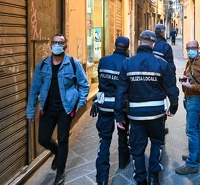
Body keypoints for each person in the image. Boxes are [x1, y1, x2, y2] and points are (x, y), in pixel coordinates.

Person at [115, 30, 179, 185]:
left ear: (138, 43)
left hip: (136, 116)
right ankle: (153, 176)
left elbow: (120, 92)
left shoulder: (127, 63)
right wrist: (173, 107)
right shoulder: (162, 64)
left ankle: (141, 179)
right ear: (154, 44)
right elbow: (172, 88)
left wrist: (119, 115)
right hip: (157, 115)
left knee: (137, 149)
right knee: (157, 143)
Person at [26, 33, 90, 185]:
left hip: (66, 109)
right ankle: (56, 153)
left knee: (63, 140)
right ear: (50, 45)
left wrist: (78, 104)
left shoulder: (73, 64)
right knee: (43, 139)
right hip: (47, 109)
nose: (57, 45)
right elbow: (34, 90)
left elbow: (84, 85)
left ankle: (60, 173)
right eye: (54, 42)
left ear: (65, 46)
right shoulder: (42, 66)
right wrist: (30, 112)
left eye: (60, 43)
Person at [91, 36, 131, 185]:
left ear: (115, 46)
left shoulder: (103, 60)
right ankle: (123, 160)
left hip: (104, 105)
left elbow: (101, 82)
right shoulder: (127, 63)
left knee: (104, 140)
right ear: (127, 48)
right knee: (123, 134)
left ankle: (101, 178)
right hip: (121, 106)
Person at [175, 40, 200, 175]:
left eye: (193, 47)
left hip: (196, 99)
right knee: (197, 128)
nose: (190, 49)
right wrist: (184, 79)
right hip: (189, 97)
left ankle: (191, 164)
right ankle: (198, 156)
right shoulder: (191, 61)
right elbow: (190, 76)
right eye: (188, 48)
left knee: (191, 130)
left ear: (198, 48)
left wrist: (192, 87)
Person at [153, 24, 176, 135]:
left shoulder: (151, 44)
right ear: (162, 32)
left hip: (147, 80)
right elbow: (170, 67)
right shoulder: (165, 46)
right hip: (161, 80)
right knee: (161, 104)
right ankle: (160, 129)